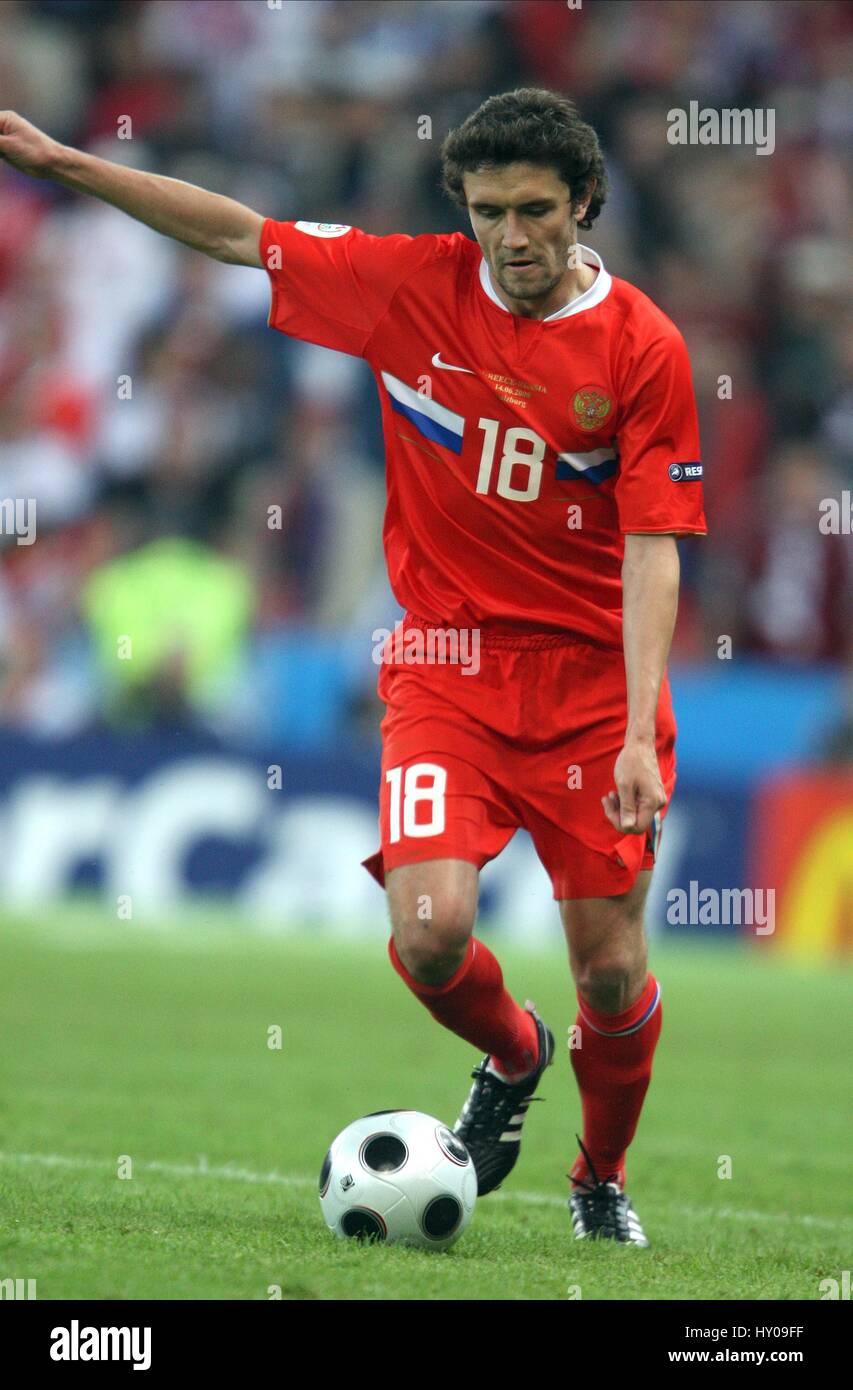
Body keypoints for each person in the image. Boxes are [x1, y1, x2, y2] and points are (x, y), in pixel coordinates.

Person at [0, 88, 706, 1245]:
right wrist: (64, 162)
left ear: (585, 202)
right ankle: (513, 1054)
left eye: (536, 210)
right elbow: (236, 230)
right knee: (428, 933)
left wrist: (637, 727)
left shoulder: (643, 348)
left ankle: (598, 1178)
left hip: (588, 690)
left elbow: (651, 551)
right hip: (444, 664)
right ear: (461, 207)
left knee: (615, 978)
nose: (512, 236)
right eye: (488, 211)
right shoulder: (404, 284)